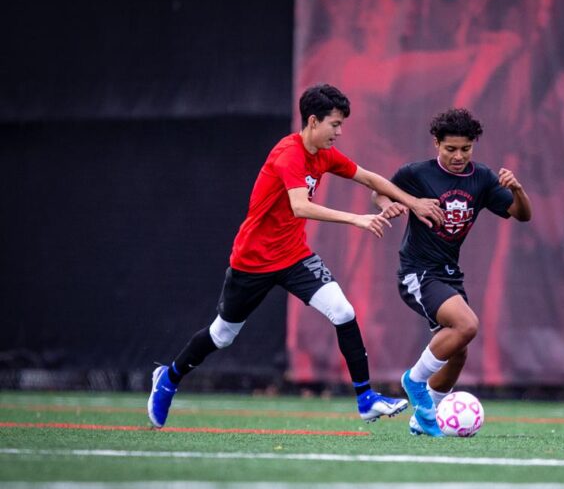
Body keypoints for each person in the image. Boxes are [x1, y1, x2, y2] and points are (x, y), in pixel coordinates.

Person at [148, 83, 445, 428]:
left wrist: (412, 202)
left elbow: (368, 178)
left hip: (294, 257)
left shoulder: (324, 155)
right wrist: (357, 219)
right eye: (335, 124)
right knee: (222, 335)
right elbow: (300, 206)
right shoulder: (288, 154)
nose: (339, 132)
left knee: (343, 311)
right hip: (253, 261)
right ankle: (168, 378)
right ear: (313, 121)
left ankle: (366, 399)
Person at [373, 108, 532, 436]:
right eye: (450, 149)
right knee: (467, 324)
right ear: (436, 144)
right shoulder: (417, 173)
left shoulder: (483, 178)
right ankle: (413, 380)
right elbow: (380, 191)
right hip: (417, 271)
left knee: (458, 353)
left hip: (448, 273)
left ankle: (423, 418)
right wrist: (387, 205)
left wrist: (517, 189)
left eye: (466, 149)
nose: (458, 156)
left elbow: (522, 214)